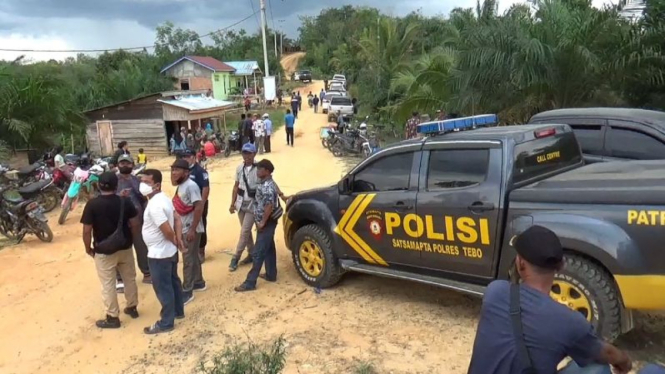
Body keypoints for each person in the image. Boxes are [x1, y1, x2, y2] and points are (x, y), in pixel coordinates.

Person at [468, 225, 633, 374]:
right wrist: (624, 362)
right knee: (597, 368)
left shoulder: (495, 291)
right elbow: (608, 354)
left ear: (520, 264)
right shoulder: (570, 322)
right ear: (560, 266)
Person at [81, 172, 140, 329]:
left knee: (108, 284)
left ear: (99, 185)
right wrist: (131, 240)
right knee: (129, 278)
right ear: (116, 185)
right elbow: (135, 223)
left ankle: (113, 317)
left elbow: (87, 231)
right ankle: (132, 307)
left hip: (103, 250)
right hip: (125, 246)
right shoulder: (125, 202)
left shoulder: (92, 205)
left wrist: (89, 248)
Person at [140, 169, 186, 335]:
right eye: (142, 181)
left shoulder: (155, 205)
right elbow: (177, 218)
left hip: (159, 254)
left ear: (157, 185)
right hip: (169, 252)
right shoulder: (164, 198)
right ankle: (178, 311)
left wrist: (174, 239)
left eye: (146, 182)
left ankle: (166, 322)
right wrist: (178, 240)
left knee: (163, 287)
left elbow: (166, 229)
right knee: (173, 281)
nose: (142, 185)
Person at [234, 159, 288, 292]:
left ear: (267, 171)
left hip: (266, 222)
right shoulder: (267, 182)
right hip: (264, 221)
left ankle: (250, 282)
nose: (257, 171)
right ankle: (271, 274)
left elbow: (269, 206)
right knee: (269, 247)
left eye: (260, 169)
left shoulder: (267, 187)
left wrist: (262, 222)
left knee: (258, 252)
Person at [170, 159, 206, 305]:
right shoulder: (182, 186)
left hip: (191, 228)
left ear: (186, 172)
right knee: (192, 256)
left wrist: (192, 229)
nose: (173, 173)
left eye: (177, 170)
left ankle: (187, 290)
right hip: (186, 227)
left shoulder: (191, 186)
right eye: (172, 170)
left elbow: (199, 207)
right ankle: (198, 281)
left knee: (188, 259)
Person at [115, 154, 151, 290]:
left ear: (132, 165)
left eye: (127, 163)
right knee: (120, 250)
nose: (125, 165)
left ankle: (147, 273)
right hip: (119, 222)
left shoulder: (137, 181)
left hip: (137, 221)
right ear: (118, 165)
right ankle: (120, 279)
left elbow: (144, 199)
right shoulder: (113, 180)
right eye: (122, 163)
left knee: (141, 247)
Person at [229, 143, 259, 271]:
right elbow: (236, 186)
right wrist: (232, 203)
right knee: (246, 232)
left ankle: (235, 257)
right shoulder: (239, 168)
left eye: (249, 153)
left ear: (254, 154)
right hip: (241, 204)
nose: (247, 156)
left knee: (244, 232)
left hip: (252, 205)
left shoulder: (259, 168)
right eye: (244, 153)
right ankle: (251, 253)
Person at [182, 150, 210, 263]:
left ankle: (201, 250)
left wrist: (201, 204)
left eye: (187, 157)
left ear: (193, 157)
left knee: (200, 225)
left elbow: (206, 188)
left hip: (198, 203)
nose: (185, 159)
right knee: (186, 225)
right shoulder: (184, 171)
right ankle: (190, 249)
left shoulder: (200, 171)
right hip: (186, 203)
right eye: (184, 157)